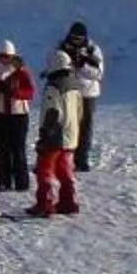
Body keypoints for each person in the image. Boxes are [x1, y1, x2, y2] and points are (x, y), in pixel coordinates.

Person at [0, 40, 37, 197]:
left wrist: (17, 93)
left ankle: (22, 183)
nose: (6, 59)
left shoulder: (22, 69)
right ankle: (4, 181)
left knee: (18, 148)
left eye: (9, 56)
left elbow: (30, 92)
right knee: (3, 149)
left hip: (18, 114)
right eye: (3, 56)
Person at [29, 61, 81, 216]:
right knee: (65, 169)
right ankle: (68, 201)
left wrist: (45, 137)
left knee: (45, 170)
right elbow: (79, 112)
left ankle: (45, 203)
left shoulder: (54, 88)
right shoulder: (75, 87)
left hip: (54, 137)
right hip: (70, 136)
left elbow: (52, 113)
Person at [54, 22, 106, 169]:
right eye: (73, 37)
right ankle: (65, 158)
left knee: (85, 127)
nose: (75, 41)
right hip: (68, 91)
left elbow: (98, 74)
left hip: (88, 94)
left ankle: (81, 159)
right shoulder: (61, 47)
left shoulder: (93, 50)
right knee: (66, 126)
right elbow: (53, 64)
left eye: (79, 38)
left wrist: (83, 64)